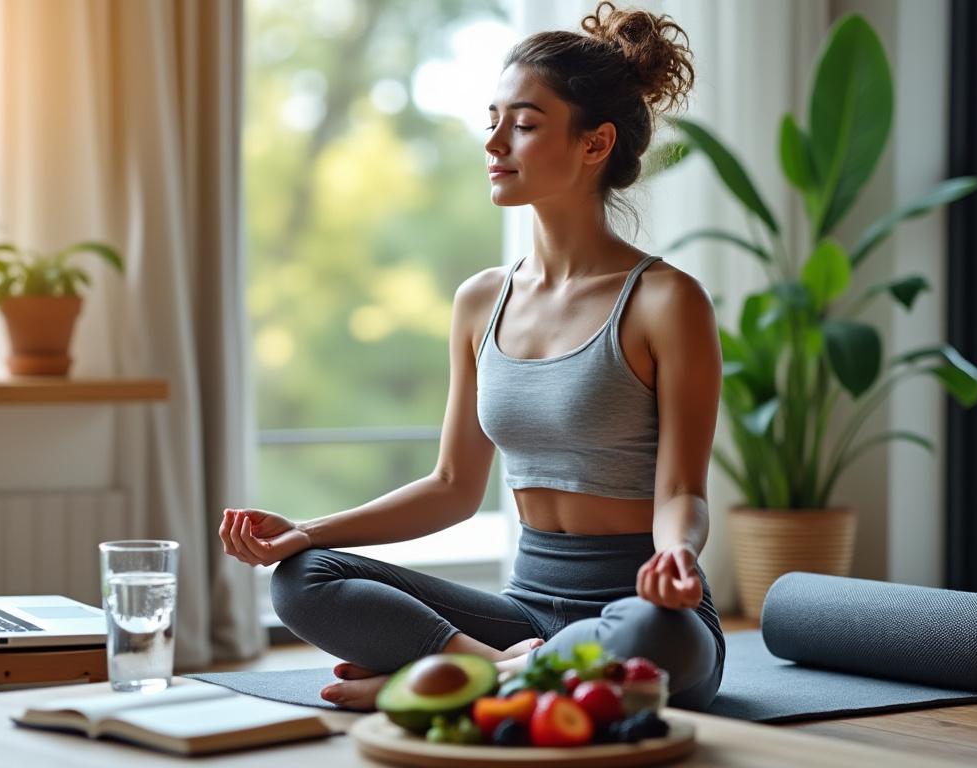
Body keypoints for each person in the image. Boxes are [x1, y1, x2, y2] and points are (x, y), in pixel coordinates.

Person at [219, 1, 724, 712]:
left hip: (635, 610)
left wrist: (678, 555)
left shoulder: (667, 302)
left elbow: (680, 493)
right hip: (522, 615)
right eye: (492, 121)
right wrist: (307, 531)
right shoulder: (481, 300)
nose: (493, 143)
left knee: (658, 635)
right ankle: (491, 671)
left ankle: (439, 683)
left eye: (522, 124)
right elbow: (454, 485)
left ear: (594, 144)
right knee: (304, 578)